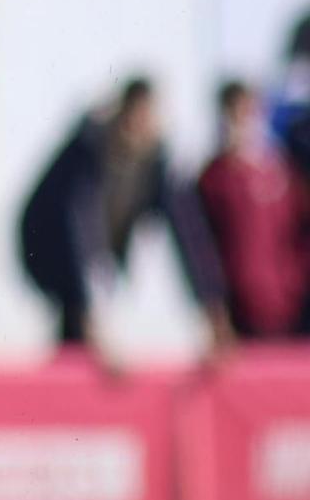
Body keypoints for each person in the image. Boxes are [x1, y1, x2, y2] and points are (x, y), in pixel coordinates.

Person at [18, 77, 230, 361]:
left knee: (85, 317)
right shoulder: (86, 150)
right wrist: (88, 312)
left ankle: (82, 327)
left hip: (98, 254)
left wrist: (211, 306)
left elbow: (187, 231)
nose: (136, 130)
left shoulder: (157, 160)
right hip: (47, 246)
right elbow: (76, 227)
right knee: (75, 319)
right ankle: (79, 332)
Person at [198, 81, 306, 340]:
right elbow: (202, 249)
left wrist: (294, 282)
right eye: (234, 113)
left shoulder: (284, 175)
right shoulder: (213, 178)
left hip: (290, 311)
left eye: (248, 112)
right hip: (237, 316)